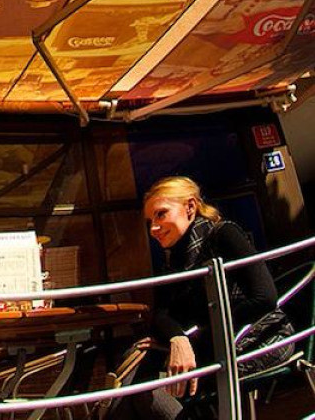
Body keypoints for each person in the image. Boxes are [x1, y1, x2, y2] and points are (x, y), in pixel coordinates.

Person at [112, 176, 293, 420]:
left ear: (190, 207)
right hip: (211, 345)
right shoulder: (173, 259)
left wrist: (195, 339)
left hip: (257, 339)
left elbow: (264, 298)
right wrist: (178, 339)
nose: (153, 228)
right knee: (133, 371)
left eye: (161, 214)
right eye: (150, 221)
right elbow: (161, 314)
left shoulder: (224, 235)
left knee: (146, 390)